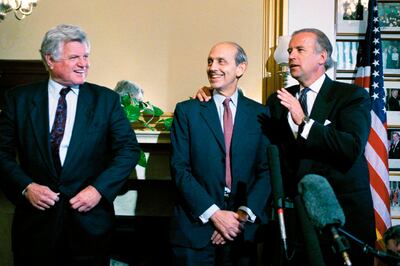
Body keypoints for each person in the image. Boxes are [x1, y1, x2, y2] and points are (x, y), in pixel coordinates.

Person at [195, 28, 376, 265]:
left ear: (322, 57)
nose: (291, 56)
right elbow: (254, 144)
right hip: (292, 225)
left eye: (299, 50)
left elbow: (351, 147)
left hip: (340, 220)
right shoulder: (278, 100)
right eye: (290, 50)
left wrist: (304, 122)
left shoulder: (351, 96)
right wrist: (215, 96)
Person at [0, 24, 140, 266]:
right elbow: (1, 153)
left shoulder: (106, 100)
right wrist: (26, 187)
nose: (83, 63)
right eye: (74, 57)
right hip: (35, 228)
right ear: (50, 60)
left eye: (86, 56)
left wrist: (98, 190)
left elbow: (128, 150)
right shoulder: (18, 99)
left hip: (89, 227)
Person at [170, 41, 271, 265]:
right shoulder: (188, 111)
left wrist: (239, 218)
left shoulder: (260, 114)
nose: (212, 67)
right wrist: (215, 215)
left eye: (221, 61)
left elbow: (266, 172)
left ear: (240, 68)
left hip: (241, 232)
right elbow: (179, 169)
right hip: (195, 230)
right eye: (210, 61)